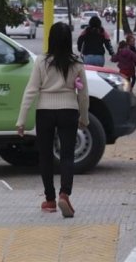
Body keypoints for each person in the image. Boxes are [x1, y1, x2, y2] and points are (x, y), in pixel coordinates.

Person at [15, 22, 89, 218]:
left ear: (50, 39)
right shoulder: (77, 62)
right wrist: (84, 117)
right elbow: (83, 94)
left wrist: (21, 120)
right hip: (68, 111)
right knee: (66, 155)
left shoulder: (41, 61)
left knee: (46, 155)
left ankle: (49, 200)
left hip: (45, 112)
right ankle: (65, 194)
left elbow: (31, 90)